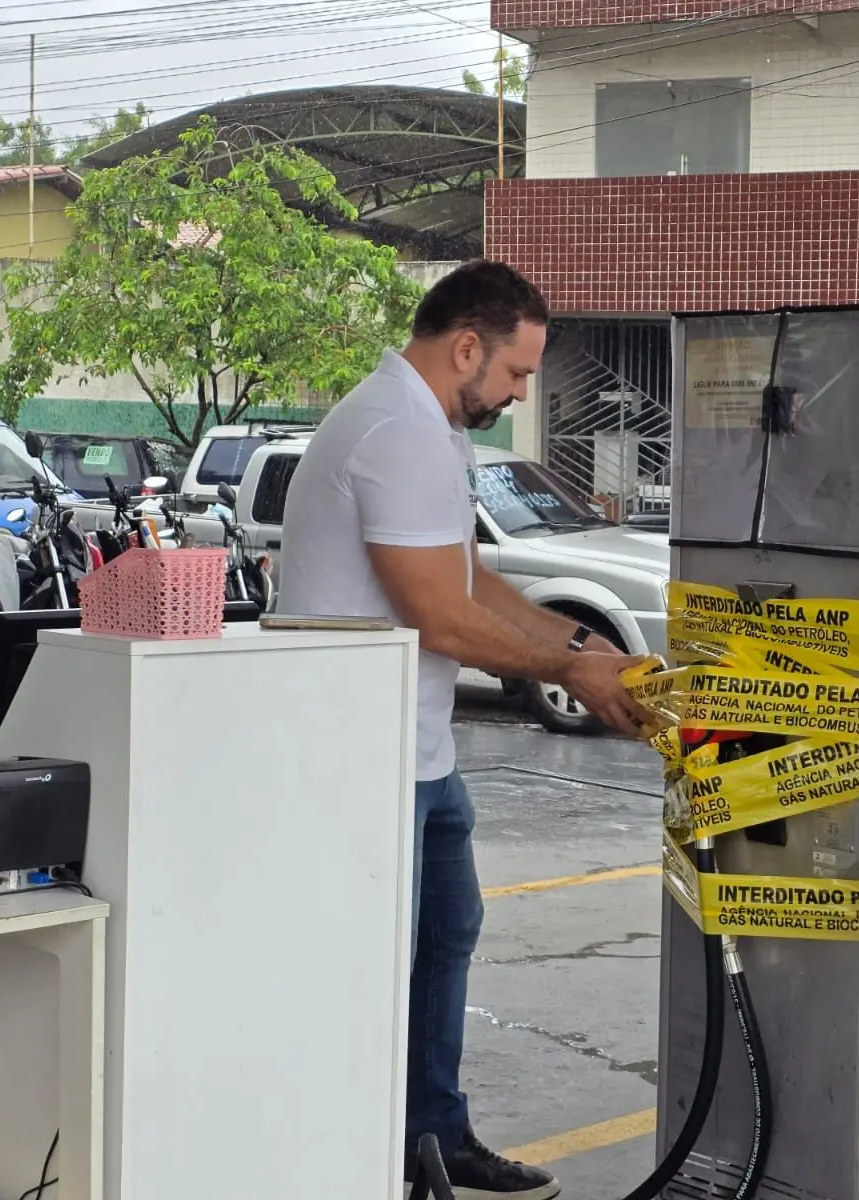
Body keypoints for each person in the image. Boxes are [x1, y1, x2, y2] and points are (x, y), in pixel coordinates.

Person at [278, 260, 651, 1199]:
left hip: (417, 748)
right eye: (517, 373)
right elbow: (441, 619)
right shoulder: (395, 430)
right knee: (376, 965)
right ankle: (358, 1156)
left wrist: (582, 642)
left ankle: (432, 1138)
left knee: (447, 932)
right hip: (360, 755)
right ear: (467, 346)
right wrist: (571, 672)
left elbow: (471, 577)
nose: (521, 393)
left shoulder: (433, 429)